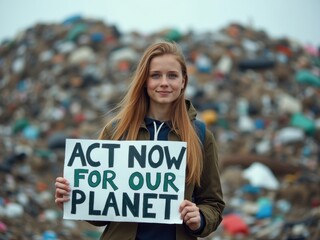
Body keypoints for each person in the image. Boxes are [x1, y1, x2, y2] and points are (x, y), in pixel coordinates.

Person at [55, 41, 225, 240]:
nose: (164, 82)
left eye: (172, 75)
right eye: (155, 75)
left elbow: (213, 203)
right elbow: (102, 214)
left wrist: (200, 218)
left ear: (183, 82)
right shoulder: (116, 131)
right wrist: (75, 197)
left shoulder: (201, 136)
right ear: (144, 81)